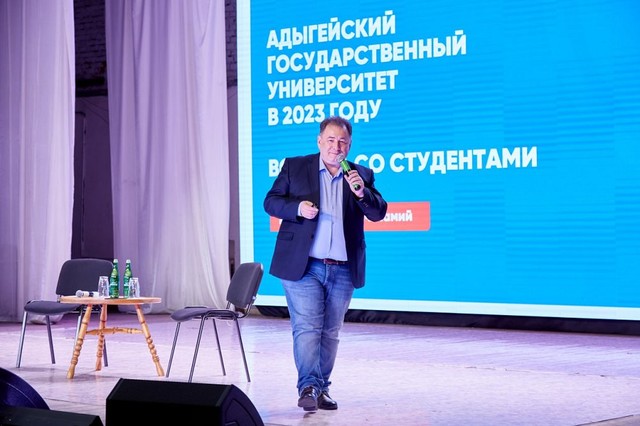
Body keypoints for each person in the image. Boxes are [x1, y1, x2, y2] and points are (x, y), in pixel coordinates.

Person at [263, 116, 388, 412]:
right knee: (307, 327)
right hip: (303, 265)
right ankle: (308, 386)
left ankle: (321, 388)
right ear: (319, 141)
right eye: (330, 140)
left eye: (342, 141)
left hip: (343, 268)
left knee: (330, 332)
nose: (336, 146)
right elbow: (271, 202)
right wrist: (296, 208)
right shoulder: (295, 167)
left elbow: (379, 212)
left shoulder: (361, 174)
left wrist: (361, 193)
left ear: (350, 145)